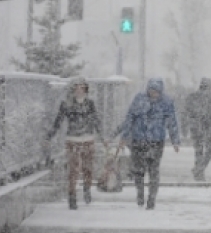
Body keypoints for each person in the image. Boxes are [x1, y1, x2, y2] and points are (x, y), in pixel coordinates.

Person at [117, 78, 180, 209]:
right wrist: (124, 136)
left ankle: (152, 198)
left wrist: (175, 140)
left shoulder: (166, 102)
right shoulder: (139, 99)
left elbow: (172, 122)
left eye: (156, 91)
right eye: (152, 90)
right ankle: (140, 193)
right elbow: (130, 118)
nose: (154, 93)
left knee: (154, 171)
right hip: (139, 139)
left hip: (156, 141)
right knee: (138, 171)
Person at [46, 77, 108, 210]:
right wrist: (50, 134)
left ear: (86, 90)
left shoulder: (90, 103)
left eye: (82, 88)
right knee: (73, 170)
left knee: (87, 168)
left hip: (88, 139)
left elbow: (96, 120)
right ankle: (72, 196)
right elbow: (59, 120)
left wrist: (102, 137)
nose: (79, 90)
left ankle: (86, 189)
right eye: (77, 87)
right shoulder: (66, 104)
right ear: (72, 90)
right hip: (72, 140)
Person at [184, 77, 211, 181]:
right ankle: (199, 170)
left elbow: (186, 112)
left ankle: (199, 169)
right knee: (208, 151)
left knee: (200, 151)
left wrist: (187, 126)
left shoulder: (193, 97)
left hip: (199, 127)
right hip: (206, 127)